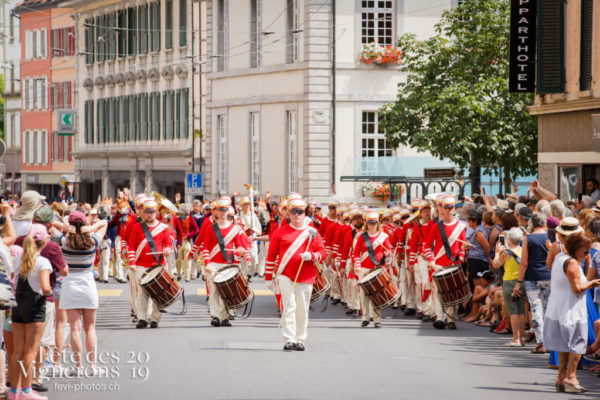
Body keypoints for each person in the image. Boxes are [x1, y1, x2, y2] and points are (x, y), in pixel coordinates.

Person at [265, 197, 325, 350]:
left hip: (306, 275)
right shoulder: (280, 232)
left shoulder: (311, 232)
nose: (297, 215)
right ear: (289, 214)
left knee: (302, 309)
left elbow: (322, 252)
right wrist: (268, 278)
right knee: (289, 306)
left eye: (300, 212)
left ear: (305, 214)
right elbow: (271, 255)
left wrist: (312, 256)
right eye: (294, 212)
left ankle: (300, 339)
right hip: (286, 275)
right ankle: (289, 339)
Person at [544, 231, 600, 393]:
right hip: (572, 311)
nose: (587, 254)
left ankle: (561, 378)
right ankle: (571, 377)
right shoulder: (572, 263)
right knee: (577, 345)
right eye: (585, 251)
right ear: (577, 248)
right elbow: (577, 288)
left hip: (558, 309)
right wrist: (591, 284)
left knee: (563, 345)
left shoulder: (559, 258)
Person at [8, 224, 53, 400]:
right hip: (35, 307)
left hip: (18, 305)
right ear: (44, 242)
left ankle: (13, 390)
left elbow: (14, 281)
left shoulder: (18, 259)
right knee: (30, 350)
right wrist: (48, 292)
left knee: (17, 350)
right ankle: (27, 390)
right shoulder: (42, 262)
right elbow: (45, 287)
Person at [59, 210, 107, 373]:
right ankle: (93, 365)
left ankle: (78, 366)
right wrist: (92, 226)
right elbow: (105, 223)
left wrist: (65, 227)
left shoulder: (63, 241)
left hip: (69, 285)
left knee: (74, 328)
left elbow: (50, 224)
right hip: (88, 285)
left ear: (70, 225)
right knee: (90, 327)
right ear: (85, 224)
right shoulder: (93, 241)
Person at [197, 197, 251, 327]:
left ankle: (225, 316)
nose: (222, 212)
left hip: (228, 264)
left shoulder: (235, 229)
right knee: (214, 291)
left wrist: (242, 251)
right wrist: (208, 263)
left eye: (224, 210)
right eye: (220, 210)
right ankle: (215, 316)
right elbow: (206, 248)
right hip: (214, 264)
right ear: (215, 212)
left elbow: (238, 246)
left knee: (227, 292)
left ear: (228, 211)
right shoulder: (211, 228)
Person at [126, 199, 173, 329]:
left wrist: (168, 250)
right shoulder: (137, 227)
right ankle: (142, 318)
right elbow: (131, 247)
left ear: (156, 213)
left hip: (158, 264)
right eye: (146, 212)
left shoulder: (163, 228)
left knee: (158, 293)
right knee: (141, 294)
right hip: (141, 265)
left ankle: (155, 319)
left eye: (151, 212)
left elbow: (168, 243)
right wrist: (132, 262)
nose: (148, 215)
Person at [425, 196, 467, 330]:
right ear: (442, 209)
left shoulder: (461, 227)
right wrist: (431, 260)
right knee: (438, 292)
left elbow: (462, 246)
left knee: (452, 292)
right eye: (446, 208)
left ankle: (450, 318)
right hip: (438, 263)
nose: (448, 211)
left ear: (454, 209)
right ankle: (439, 318)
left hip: (454, 264)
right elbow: (427, 246)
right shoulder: (437, 226)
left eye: (450, 208)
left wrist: (462, 254)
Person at [352, 210, 392, 328]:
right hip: (364, 269)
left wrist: (388, 253)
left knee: (376, 294)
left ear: (377, 223)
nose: (372, 225)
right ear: (366, 223)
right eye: (370, 223)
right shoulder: (361, 236)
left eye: (374, 223)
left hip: (378, 269)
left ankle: (377, 319)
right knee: (364, 294)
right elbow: (356, 253)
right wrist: (357, 264)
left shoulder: (384, 236)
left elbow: (389, 252)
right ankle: (365, 317)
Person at [493, 227, 526, 347]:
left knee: (513, 311)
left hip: (509, 282)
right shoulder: (523, 250)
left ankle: (516, 339)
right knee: (521, 310)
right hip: (522, 281)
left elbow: (496, 264)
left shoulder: (506, 253)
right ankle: (520, 338)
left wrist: (497, 253)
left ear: (510, 240)